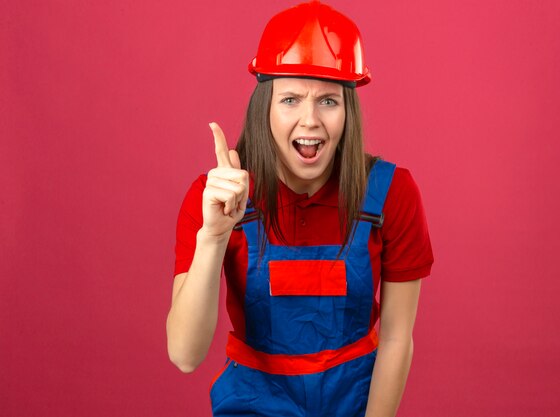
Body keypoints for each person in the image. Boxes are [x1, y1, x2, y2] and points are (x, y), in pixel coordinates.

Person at [166, 1, 434, 416]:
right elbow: (185, 354)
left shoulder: (392, 194)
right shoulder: (214, 197)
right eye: (290, 99)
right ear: (264, 108)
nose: (309, 120)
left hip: (357, 402)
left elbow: (398, 337)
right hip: (254, 402)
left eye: (328, 101)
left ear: (348, 112)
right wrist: (214, 236)